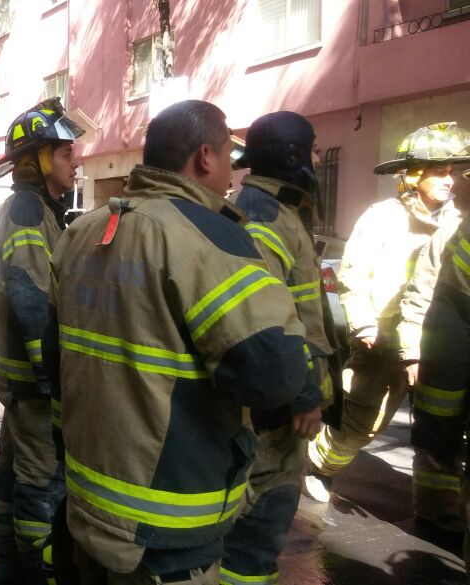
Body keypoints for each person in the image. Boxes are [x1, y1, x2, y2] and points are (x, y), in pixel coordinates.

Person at [47, 100, 319, 584]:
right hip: (169, 520)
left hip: (88, 503)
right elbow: (272, 376)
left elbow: (55, 358)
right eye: (226, 160)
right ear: (205, 158)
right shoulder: (208, 237)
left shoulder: (81, 233)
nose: (231, 180)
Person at [305, 122, 470, 503]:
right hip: (383, 339)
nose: (449, 181)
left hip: (442, 342)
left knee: (436, 425)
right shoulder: (382, 218)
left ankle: (437, 508)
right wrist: (363, 322)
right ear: (414, 176)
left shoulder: (456, 220)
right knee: (363, 422)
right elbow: (352, 276)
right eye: (439, 172)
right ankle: (318, 464)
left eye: (453, 173)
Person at [224, 111, 331, 584]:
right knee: (258, 526)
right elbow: (267, 318)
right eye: (311, 149)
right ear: (291, 156)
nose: (315, 158)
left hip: (277, 397)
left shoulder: (275, 209)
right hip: (276, 409)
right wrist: (305, 392)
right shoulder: (265, 218)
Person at [0, 97, 83, 584]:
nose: (75, 161)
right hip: (38, 391)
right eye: (66, 154)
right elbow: (29, 300)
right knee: (41, 489)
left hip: (29, 390)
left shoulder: (41, 210)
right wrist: (58, 382)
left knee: (13, 478)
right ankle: (37, 573)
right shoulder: (27, 210)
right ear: (38, 159)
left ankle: (9, 569)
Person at [396, 165, 470, 533]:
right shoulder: (452, 232)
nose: (454, 182)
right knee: (435, 432)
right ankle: (435, 513)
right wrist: (412, 351)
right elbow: (422, 290)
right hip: (445, 350)